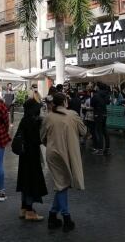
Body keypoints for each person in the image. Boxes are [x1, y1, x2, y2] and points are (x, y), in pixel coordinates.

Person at [41, 92, 86, 232]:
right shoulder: (73, 115)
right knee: (62, 185)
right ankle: (66, 218)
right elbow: (83, 131)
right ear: (65, 102)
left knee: (62, 185)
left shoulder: (48, 117)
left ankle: (53, 216)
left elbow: (42, 137)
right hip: (69, 152)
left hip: (53, 153)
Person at [16, 98, 48, 221]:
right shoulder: (33, 122)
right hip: (32, 156)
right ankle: (29, 211)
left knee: (25, 181)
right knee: (31, 182)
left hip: (24, 156)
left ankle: (23, 208)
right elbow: (37, 140)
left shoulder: (24, 120)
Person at [90, 82, 110, 155]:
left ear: (98, 87)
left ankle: (100, 149)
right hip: (104, 114)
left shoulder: (96, 94)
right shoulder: (106, 94)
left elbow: (92, 104)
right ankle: (107, 148)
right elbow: (108, 102)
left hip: (98, 114)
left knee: (99, 132)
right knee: (105, 131)